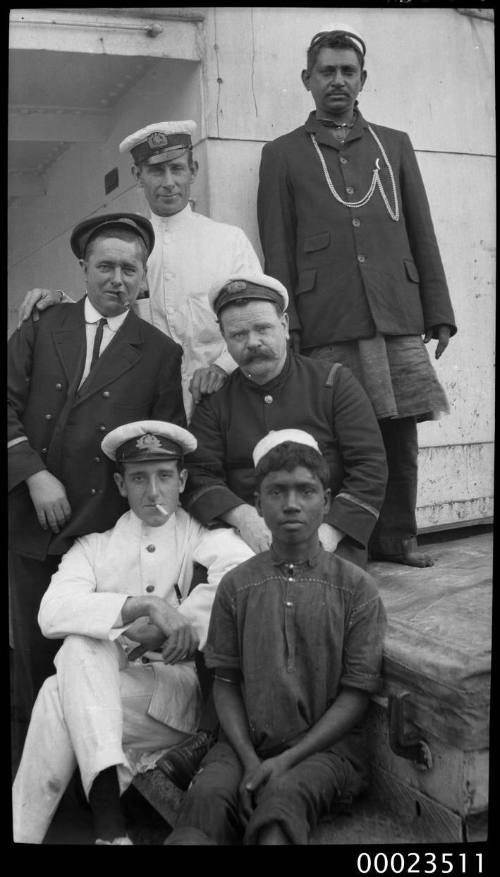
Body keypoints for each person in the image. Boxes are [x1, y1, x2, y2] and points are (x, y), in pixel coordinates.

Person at [257, 24, 457, 568]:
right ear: (307, 79)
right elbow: (277, 247)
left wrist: (437, 311)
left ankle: (399, 538)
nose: (338, 81)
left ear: (362, 79)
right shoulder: (280, 154)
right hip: (328, 315)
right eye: (327, 71)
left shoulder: (393, 144)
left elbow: (422, 229)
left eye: (348, 71)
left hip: (396, 310)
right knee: (337, 436)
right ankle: (346, 546)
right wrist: (287, 324)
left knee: (400, 433)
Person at [12, 420, 253, 845]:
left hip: (177, 699)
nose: (153, 492)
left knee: (62, 684)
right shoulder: (95, 545)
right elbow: (50, 613)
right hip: (110, 704)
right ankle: (105, 833)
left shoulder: (202, 534)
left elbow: (241, 574)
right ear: (121, 485)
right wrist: (141, 606)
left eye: (163, 477)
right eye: (139, 478)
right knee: (74, 660)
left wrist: (179, 624)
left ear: (182, 481)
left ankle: (66, 826)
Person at [8, 213, 186, 761]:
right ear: (82, 268)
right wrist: (35, 475)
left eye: (129, 269)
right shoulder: (42, 325)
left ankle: (95, 764)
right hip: (30, 520)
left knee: (95, 650)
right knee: (36, 648)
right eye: (104, 265)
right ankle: (40, 763)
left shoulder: (159, 351)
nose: (116, 279)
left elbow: (164, 445)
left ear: (143, 276)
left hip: (101, 529)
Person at [164, 430, 387, 845]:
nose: (291, 504)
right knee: (204, 804)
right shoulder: (236, 585)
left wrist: (285, 761)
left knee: (281, 809)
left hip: (325, 752)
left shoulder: (356, 590)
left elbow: (355, 695)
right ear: (257, 505)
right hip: (243, 743)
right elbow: (226, 682)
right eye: (277, 492)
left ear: (327, 501)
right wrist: (249, 758)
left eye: (305, 491)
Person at [17, 120, 262, 417]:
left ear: (193, 171)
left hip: (223, 398)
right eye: (156, 171)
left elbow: (257, 318)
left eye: (177, 169)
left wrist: (221, 368)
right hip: (144, 402)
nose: (168, 182)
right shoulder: (126, 249)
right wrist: (57, 301)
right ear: (137, 176)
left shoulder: (228, 240)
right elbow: (102, 315)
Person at [183, 272, 387, 566]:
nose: (252, 342)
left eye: (263, 328)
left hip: (327, 537)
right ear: (225, 339)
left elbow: (370, 468)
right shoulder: (216, 399)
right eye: (238, 335)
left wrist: (328, 534)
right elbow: (199, 475)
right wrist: (243, 518)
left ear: (285, 325)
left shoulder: (333, 383)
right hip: (244, 539)